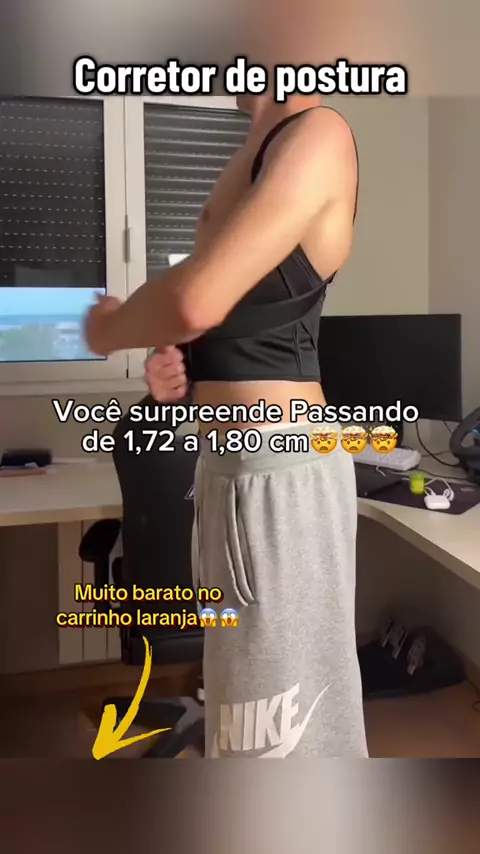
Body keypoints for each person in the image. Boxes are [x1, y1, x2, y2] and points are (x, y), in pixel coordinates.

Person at [84, 92, 368, 758]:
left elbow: (195, 299)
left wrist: (107, 328)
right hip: (227, 470)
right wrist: (182, 375)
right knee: (244, 718)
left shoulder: (317, 135)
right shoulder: (256, 144)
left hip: (280, 472)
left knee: (286, 731)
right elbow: (229, 316)